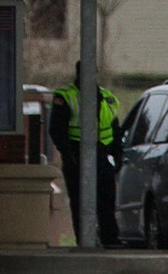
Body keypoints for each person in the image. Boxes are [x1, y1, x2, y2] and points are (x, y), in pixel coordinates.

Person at [49, 61, 121, 247]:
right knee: (80, 202)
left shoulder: (107, 97)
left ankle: (110, 241)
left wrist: (117, 157)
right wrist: (68, 155)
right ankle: (84, 241)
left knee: (106, 201)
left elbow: (114, 130)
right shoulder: (66, 96)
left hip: (102, 155)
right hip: (76, 155)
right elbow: (57, 130)